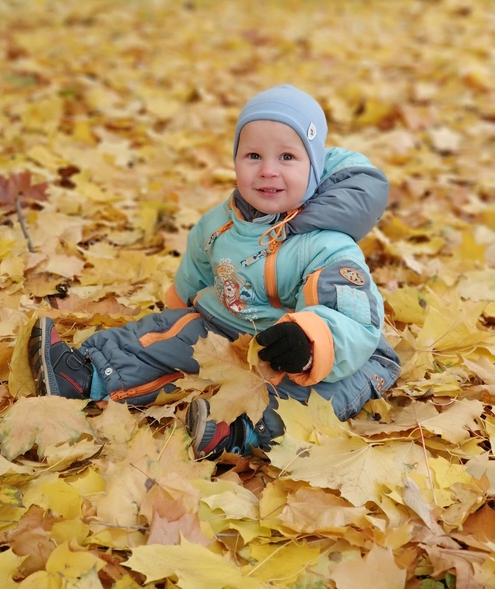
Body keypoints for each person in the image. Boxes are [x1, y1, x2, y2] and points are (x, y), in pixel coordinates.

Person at [29, 85, 401, 460]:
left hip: (324, 352)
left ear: (314, 168)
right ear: (236, 160)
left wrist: (309, 342)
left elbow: (354, 318)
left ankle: (238, 432)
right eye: (253, 155)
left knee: (318, 394)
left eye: (287, 157)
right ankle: (86, 374)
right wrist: (175, 310)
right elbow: (198, 268)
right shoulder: (222, 223)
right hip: (229, 328)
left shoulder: (327, 244)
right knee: (166, 333)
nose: (268, 170)